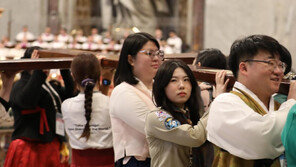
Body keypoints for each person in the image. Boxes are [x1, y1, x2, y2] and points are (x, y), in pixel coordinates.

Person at [206, 35, 296, 166]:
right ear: (244, 68)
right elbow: (264, 139)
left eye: (280, 65)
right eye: (270, 63)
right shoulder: (224, 103)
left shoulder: (280, 106)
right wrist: (292, 104)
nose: (279, 71)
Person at [4, 46, 75, 167]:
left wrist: (64, 68)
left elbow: (70, 95)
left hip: (50, 145)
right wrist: (38, 71)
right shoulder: (19, 85)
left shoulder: (48, 85)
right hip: (29, 149)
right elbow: (27, 101)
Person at [109, 32, 164, 166]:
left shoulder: (159, 87)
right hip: (137, 162)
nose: (156, 58)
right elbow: (156, 127)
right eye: (150, 53)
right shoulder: (123, 92)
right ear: (131, 60)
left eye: (158, 53)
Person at [145, 59, 208, 167]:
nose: (181, 85)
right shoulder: (157, 116)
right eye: (174, 80)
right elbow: (195, 137)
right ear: (162, 86)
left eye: (186, 80)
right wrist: (217, 102)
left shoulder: (188, 112)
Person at [62, 53, 114, 166]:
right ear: (98, 74)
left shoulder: (66, 105)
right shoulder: (112, 103)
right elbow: (99, 103)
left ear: (73, 76)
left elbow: (93, 103)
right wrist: (106, 80)